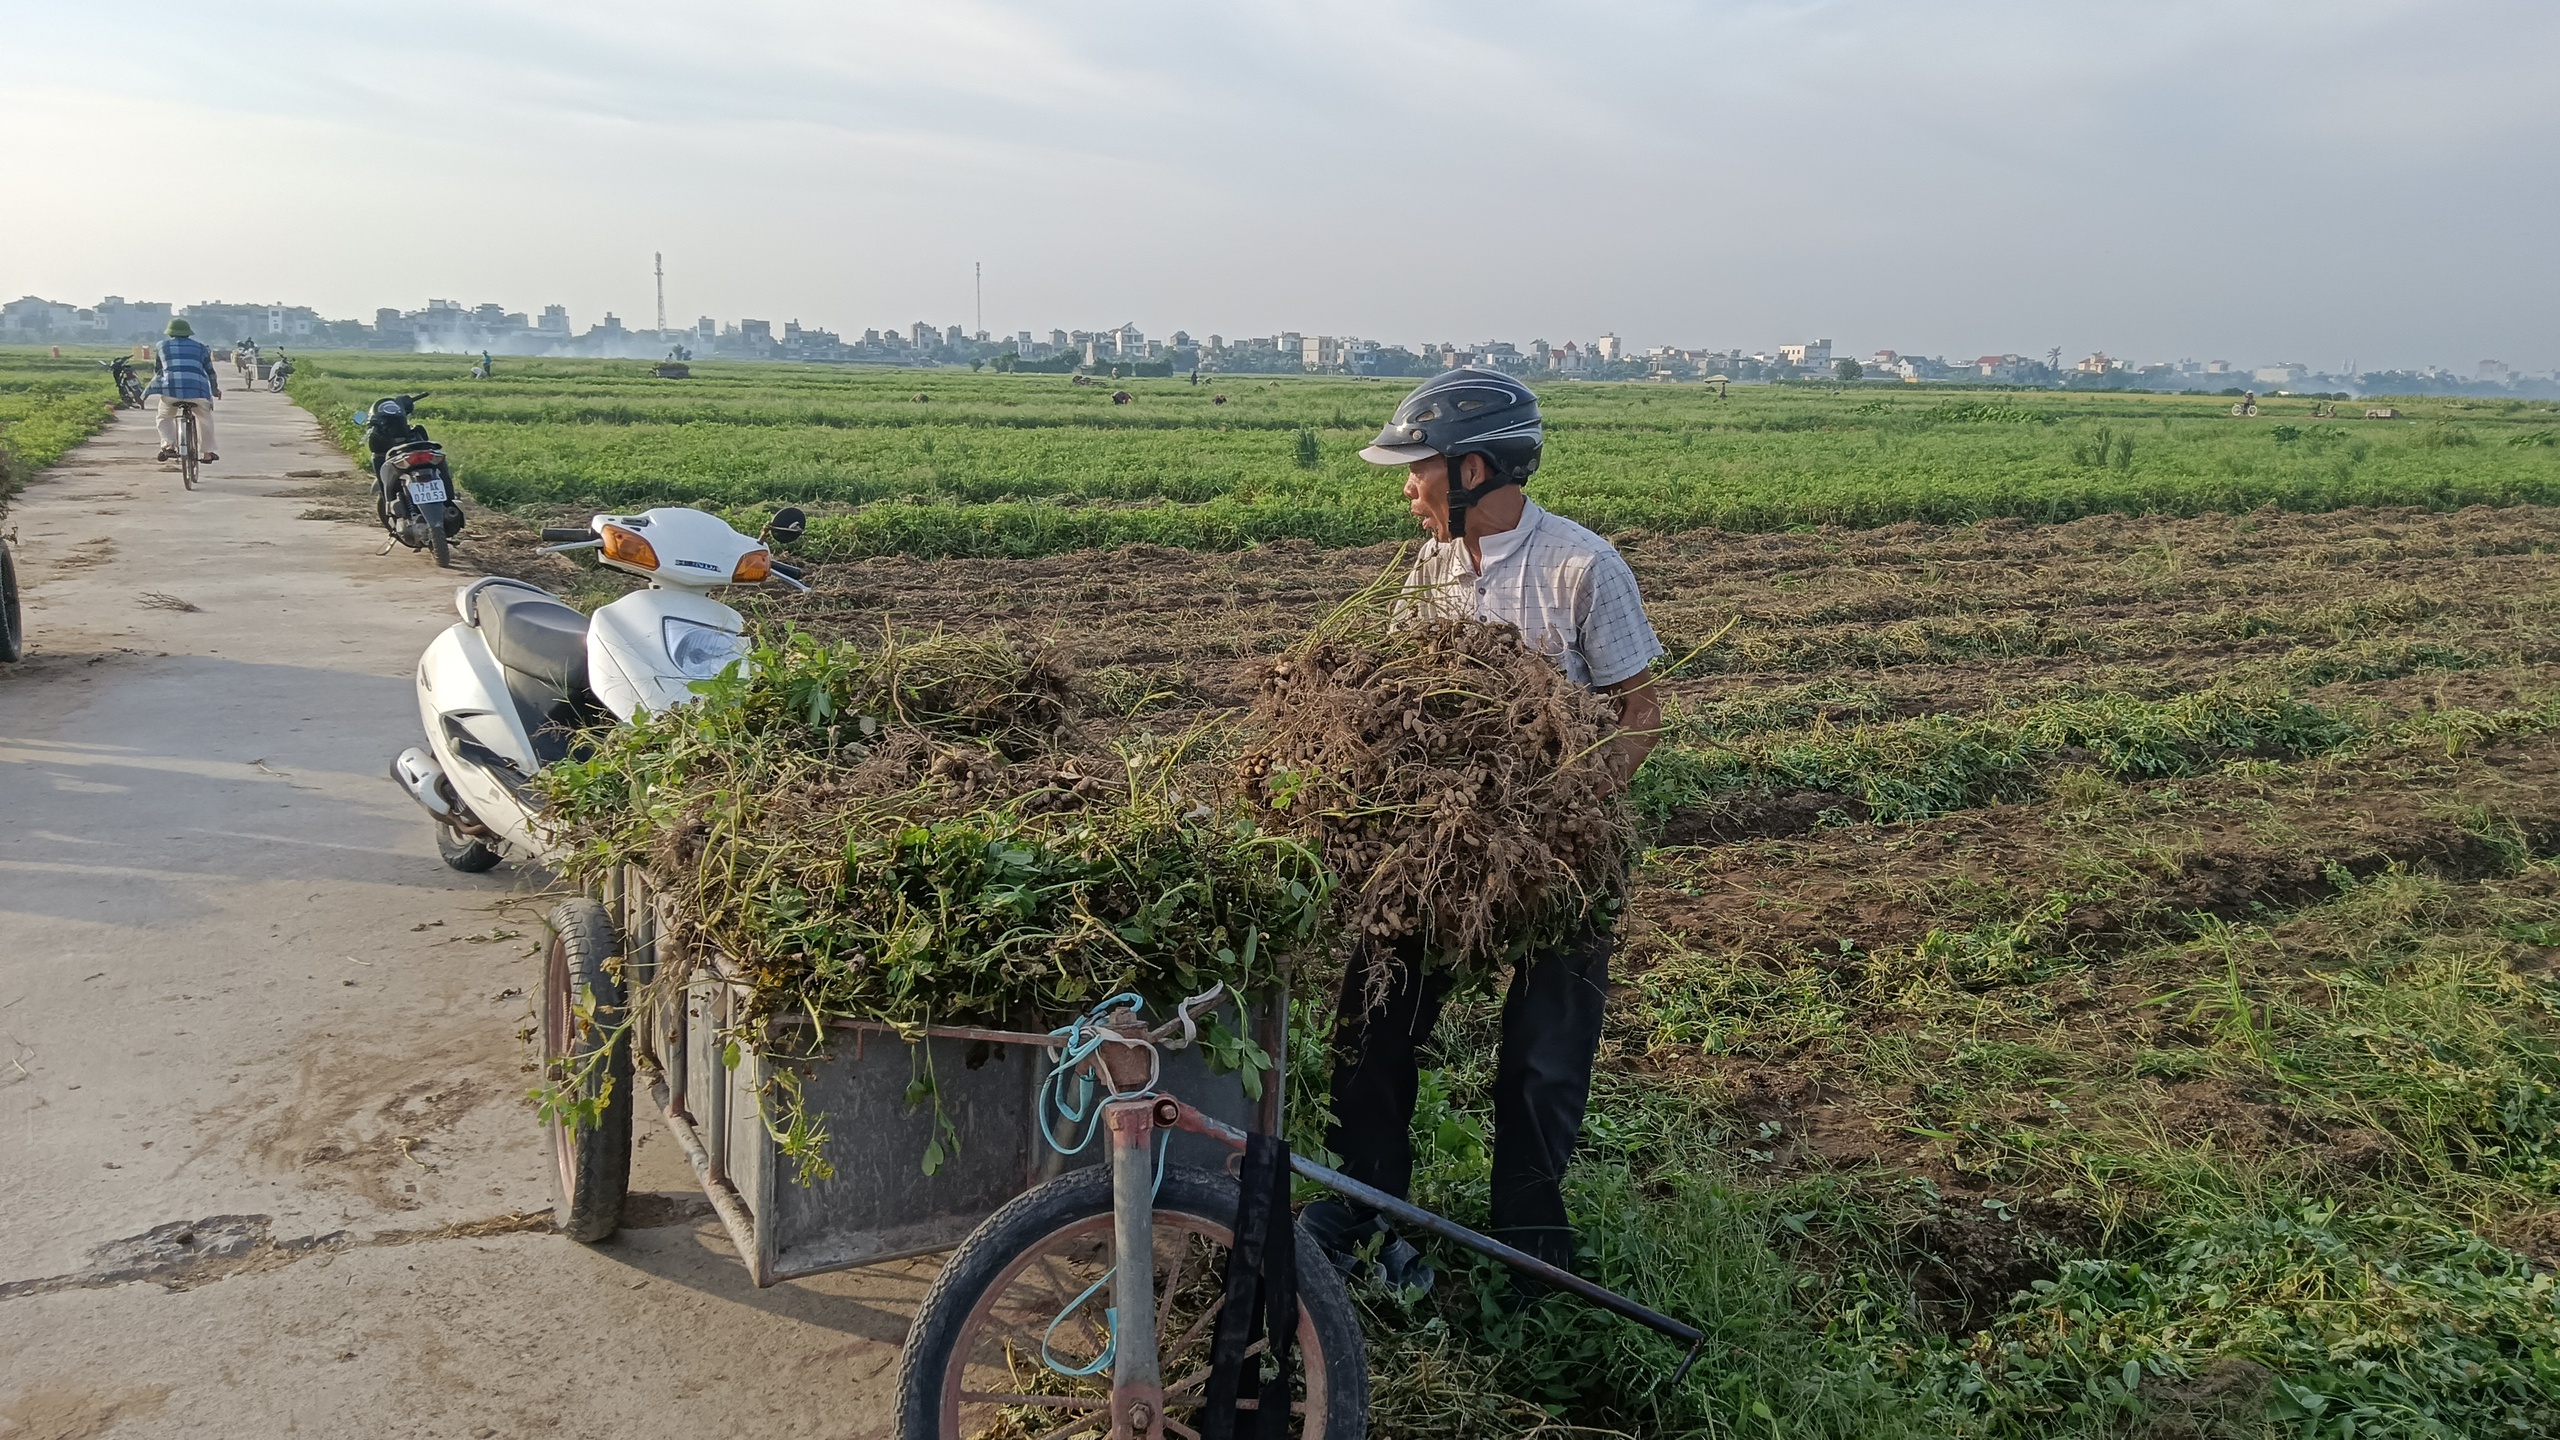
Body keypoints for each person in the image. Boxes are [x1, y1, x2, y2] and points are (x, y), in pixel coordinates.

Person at [1306, 367, 1664, 1297]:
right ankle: (1363, 1203)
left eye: (1416, 468)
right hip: (1445, 847)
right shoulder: (1427, 572)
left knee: (1544, 1054)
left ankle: (1531, 1244)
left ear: (1472, 468)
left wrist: (1566, 817)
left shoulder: (1582, 566)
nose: (1407, 489)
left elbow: (1640, 713)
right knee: (1372, 1017)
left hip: (1559, 853)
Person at [147, 319, 221, 464]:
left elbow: (158, 371)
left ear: (170, 333)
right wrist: (214, 390)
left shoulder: (161, 346)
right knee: (205, 418)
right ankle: (207, 453)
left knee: (164, 416)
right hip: (198, 391)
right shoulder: (201, 348)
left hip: (171, 391)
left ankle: (168, 445)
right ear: (188, 333)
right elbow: (210, 372)